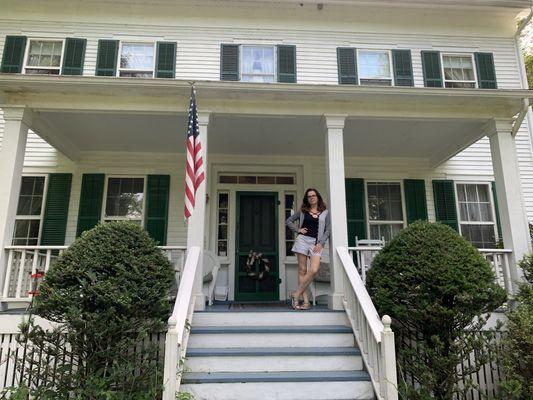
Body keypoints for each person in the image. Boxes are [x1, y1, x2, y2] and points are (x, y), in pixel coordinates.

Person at [285, 188, 331, 310]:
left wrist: (321, 243)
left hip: (316, 243)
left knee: (314, 269)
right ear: (307, 198)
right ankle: (305, 302)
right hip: (303, 241)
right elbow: (288, 221)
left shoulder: (325, 212)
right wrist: (298, 230)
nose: (311, 197)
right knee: (302, 270)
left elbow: (328, 230)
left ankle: (296, 294)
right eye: (309, 196)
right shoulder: (303, 211)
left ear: (318, 197)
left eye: (313, 195)